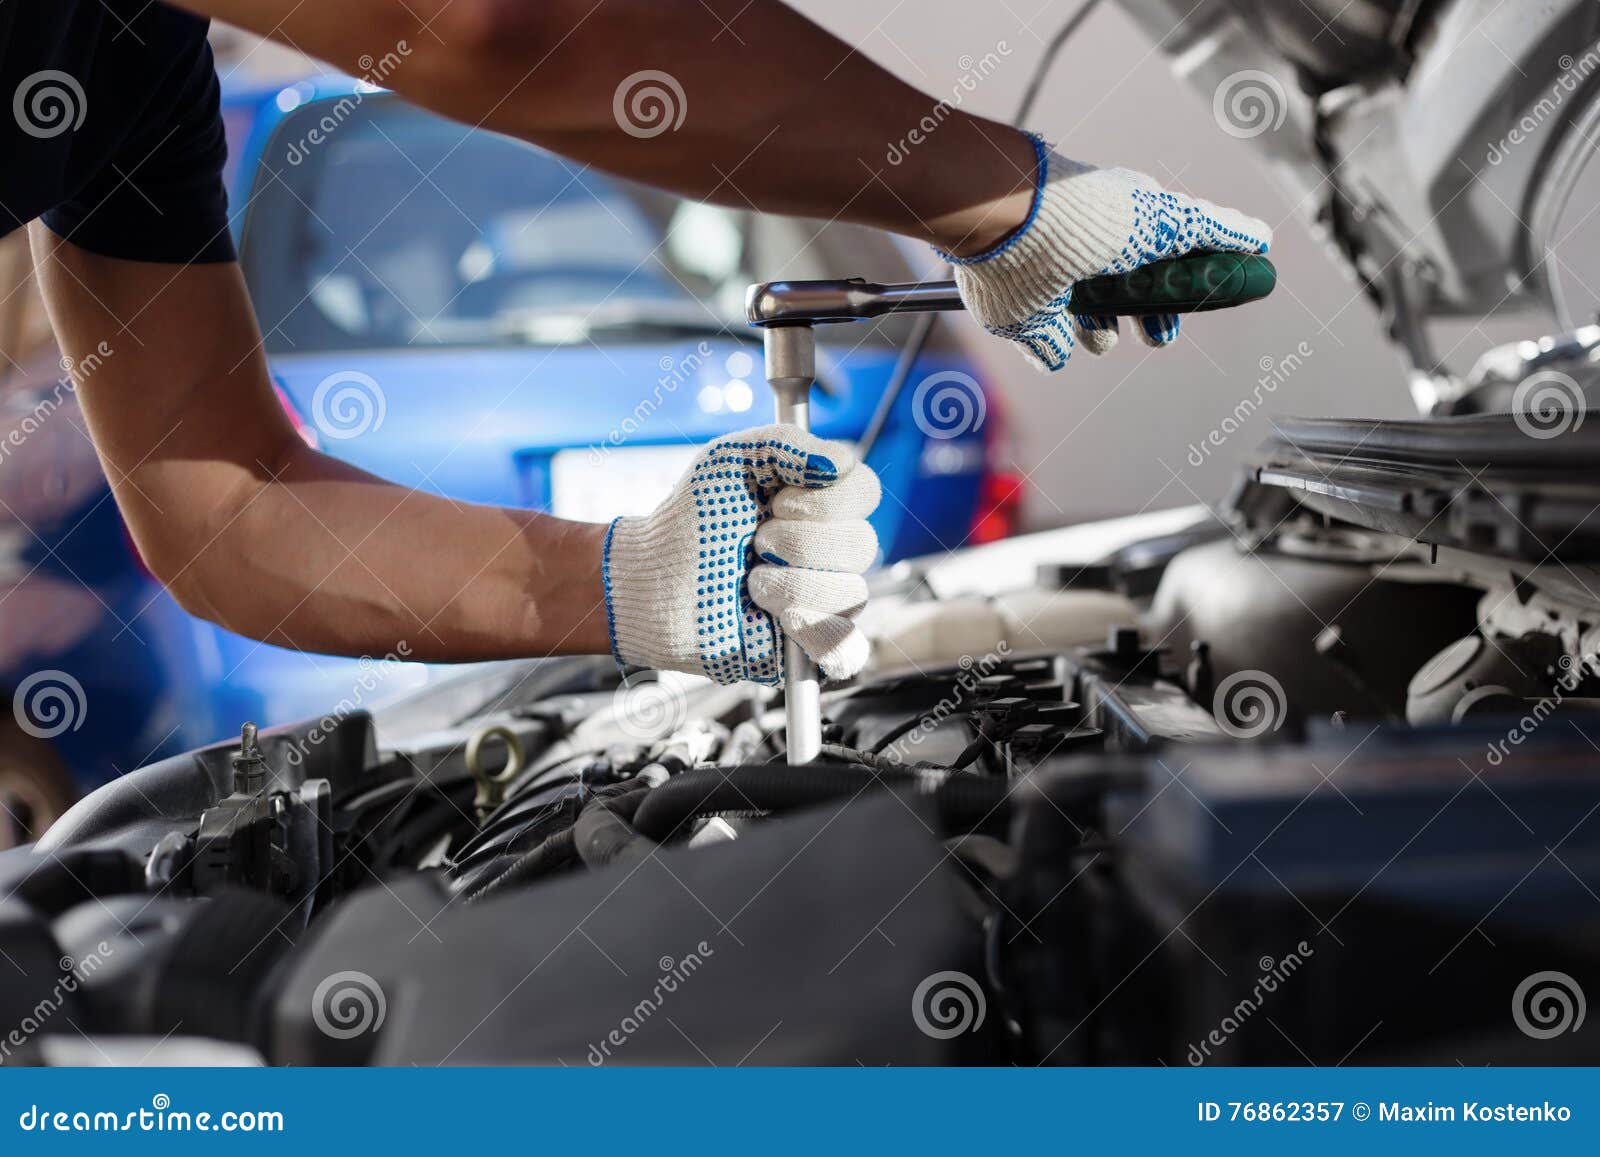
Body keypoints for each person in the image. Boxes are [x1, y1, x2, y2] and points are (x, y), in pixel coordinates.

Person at [4, 0, 1269, 688]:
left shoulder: (125, 52)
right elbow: (499, 24)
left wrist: (631, 580)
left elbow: (227, 504)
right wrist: (1004, 197)